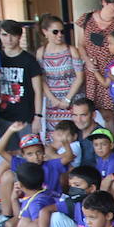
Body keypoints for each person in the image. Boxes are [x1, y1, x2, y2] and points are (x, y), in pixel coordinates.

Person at [74, 0, 114, 134]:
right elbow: (80, 44)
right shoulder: (86, 19)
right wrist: (87, 60)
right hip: (92, 73)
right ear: (104, 2)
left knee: (113, 113)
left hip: (111, 72)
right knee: (95, 112)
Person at [0, 20, 44, 160]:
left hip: (25, 117)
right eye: (4, 35)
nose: (9, 39)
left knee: (31, 153)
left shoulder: (29, 60)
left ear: (19, 36)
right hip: (4, 115)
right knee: (10, 154)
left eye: (13, 35)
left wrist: (38, 117)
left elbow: (38, 91)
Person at [35, 13, 82, 144]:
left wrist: (67, 99)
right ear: (45, 32)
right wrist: (53, 100)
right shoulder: (41, 52)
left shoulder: (71, 50)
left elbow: (79, 77)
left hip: (72, 101)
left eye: (62, 31)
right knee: (55, 138)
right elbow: (42, 79)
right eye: (55, 32)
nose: (60, 35)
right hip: (53, 103)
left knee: (73, 137)